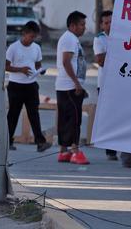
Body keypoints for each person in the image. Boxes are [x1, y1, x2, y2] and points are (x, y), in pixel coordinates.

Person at [5, 21, 52, 152]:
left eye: (35, 37)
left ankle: (40, 142)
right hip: (16, 85)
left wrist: (41, 70)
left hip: (31, 85)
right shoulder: (13, 48)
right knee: (13, 114)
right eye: (31, 36)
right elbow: (6, 66)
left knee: (34, 114)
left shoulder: (36, 48)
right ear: (24, 33)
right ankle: (7, 141)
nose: (32, 39)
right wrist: (20, 70)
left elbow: (38, 65)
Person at [55, 11, 89, 165]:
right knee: (74, 119)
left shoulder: (71, 39)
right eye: (82, 25)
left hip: (67, 86)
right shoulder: (69, 39)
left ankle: (63, 151)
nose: (84, 28)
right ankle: (75, 151)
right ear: (73, 25)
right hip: (69, 87)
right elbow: (66, 62)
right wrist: (76, 83)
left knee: (66, 119)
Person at [93, 10, 117, 161]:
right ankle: (110, 150)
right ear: (102, 25)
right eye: (106, 23)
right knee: (108, 117)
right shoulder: (100, 39)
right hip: (105, 83)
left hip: (119, 82)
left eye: (111, 21)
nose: (109, 25)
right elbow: (100, 61)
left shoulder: (122, 36)